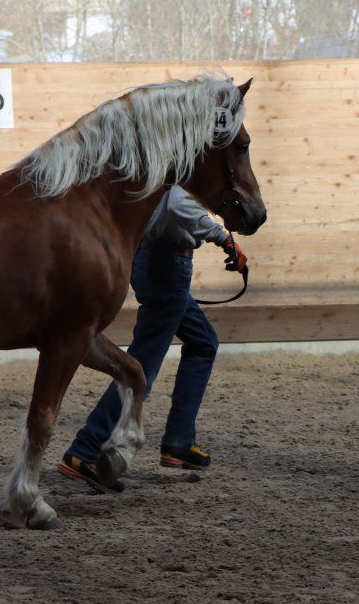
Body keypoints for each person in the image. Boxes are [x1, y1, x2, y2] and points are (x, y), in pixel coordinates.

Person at [58, 185, 247, 493]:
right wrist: (224, 238)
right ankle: (85, 450)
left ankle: (179, 441)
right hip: (167, 265)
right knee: (141, 365)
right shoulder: (183, 171)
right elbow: (177, 204)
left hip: (158, 261)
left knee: (203, 343)